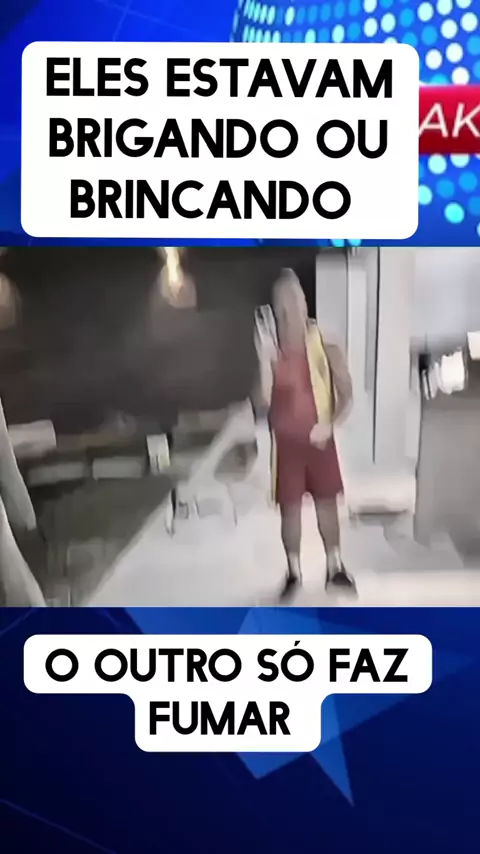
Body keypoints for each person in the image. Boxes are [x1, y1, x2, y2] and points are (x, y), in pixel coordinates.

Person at [256, 269, 356, 599]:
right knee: (290, 510)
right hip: (286, 445)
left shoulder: (325, 340)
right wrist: (264, 361)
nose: (289, 310)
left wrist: (329, 424)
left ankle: (335, 567)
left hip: (319, 440)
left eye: (294, 301)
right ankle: (293, 572)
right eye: (282, 304)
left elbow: (347, 394)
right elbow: (263, 402)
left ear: (304, 303)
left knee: (327, 503)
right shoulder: (273, 349)